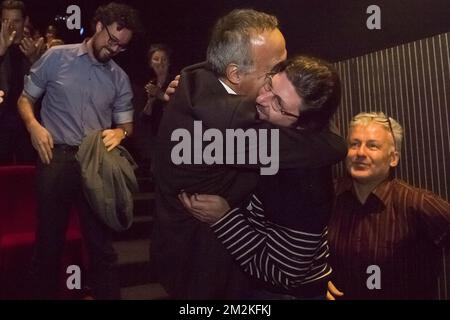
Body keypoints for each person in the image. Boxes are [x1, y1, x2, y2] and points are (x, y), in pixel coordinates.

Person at [152, 9, 346, 299]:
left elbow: (289, 266)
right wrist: (338, 141)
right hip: (205, 268)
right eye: (272, 73)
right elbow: (325, 145)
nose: (284, 69)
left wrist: (313, 281)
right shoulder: (227, 129)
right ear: (235, 73)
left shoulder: (197, 80)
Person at [17, 2, 141, 299]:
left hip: (95, 163)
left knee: (101, 247)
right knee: (49, 245)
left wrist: (120, 132)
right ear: (98, 26)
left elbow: (127, 125)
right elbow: (24, 100)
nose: (114, 49)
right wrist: (34, 127)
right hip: (55, 157)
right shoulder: (56, 57)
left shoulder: (119, 78)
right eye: (112, 40)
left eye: (121, 47)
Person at [326, 112, 450, 300]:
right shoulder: (326, 196)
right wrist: (315, 280)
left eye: (372, 146)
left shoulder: (417, 204)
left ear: (393, 158)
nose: (360, 153)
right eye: (354, 144)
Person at [0, 0, 44, 165]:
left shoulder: (36, 48)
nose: (11, 26)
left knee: (28, 171)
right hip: (2, 120)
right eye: (6, 21)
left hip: (27, 121)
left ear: (25, 21)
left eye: (16, 21)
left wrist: (34, 60)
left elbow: (47, 89)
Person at [136, 44, 172, 173]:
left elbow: (179, 106)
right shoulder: (150, 85)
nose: (160, 63)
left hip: (174, 138)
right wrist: (150, 101)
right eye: (156, 59)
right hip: (156, 139)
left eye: (164, 59)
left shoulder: (176, 82)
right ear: (150, 63)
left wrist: (160, 94)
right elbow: (144, 118)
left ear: (169, 62)